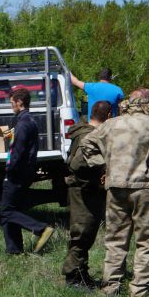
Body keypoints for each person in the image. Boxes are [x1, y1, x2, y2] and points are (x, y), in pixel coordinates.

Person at [81, 89, 149, 297]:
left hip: (116, 187)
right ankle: (139, 291)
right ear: (148, 104)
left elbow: (87, 143)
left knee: (115, 238)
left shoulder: (111, 124)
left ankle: (111, 287)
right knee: (147, 239)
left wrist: (104, 166)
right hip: (146, 186)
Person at [0, 87, 55, 255]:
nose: (11, 106)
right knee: (12, 210)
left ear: (19, 102)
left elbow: (18, 152)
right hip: (25, 172)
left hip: (17, 173)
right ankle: (14, 251)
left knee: (6, 211)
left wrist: (9, 169)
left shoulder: (23, 124)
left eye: (12, 103)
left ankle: (41, 229)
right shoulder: (29, 120)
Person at [63, 101, 112, 287]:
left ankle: (81, 272)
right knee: (82, 233)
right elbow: (78, 164)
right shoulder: (91, 135)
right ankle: (73, 277)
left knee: (86, 232)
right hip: (83, 190)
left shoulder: (83, 130)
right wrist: (96, 179)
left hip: (81, 188)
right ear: (109, 116)